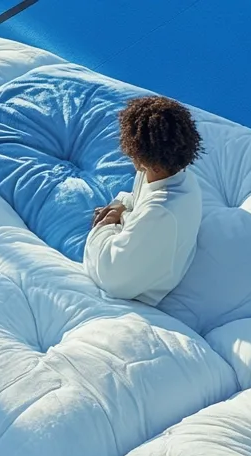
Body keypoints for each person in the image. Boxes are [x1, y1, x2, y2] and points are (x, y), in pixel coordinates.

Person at [84, 96, 204, 305]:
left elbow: (113, 279)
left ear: (143, 160)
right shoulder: (176, 176)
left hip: (144, 289)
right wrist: (121, 204)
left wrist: (105, 225)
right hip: (150, 249)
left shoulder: (161, 212)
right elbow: (140, 202)